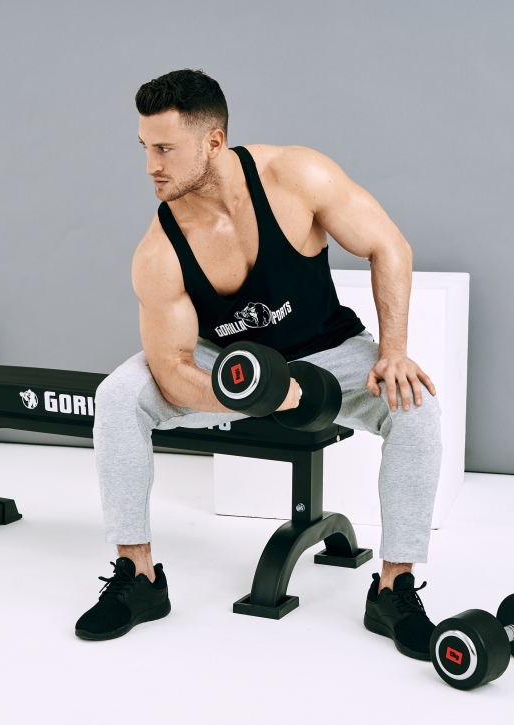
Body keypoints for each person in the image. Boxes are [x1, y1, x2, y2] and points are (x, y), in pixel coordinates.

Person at [75, 69, 442, 659]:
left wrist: (393, 352)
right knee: (120, 396)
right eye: (144, 147)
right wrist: (259, 393)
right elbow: (171, 369)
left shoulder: (296, 177)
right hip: (226, 366)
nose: (150, 167)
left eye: (165, 149)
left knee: (416, 406)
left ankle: (393, 589)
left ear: (213, 141)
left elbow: (388, 245)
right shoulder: (160, 249)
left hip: (329, 352)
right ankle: (138, 577)